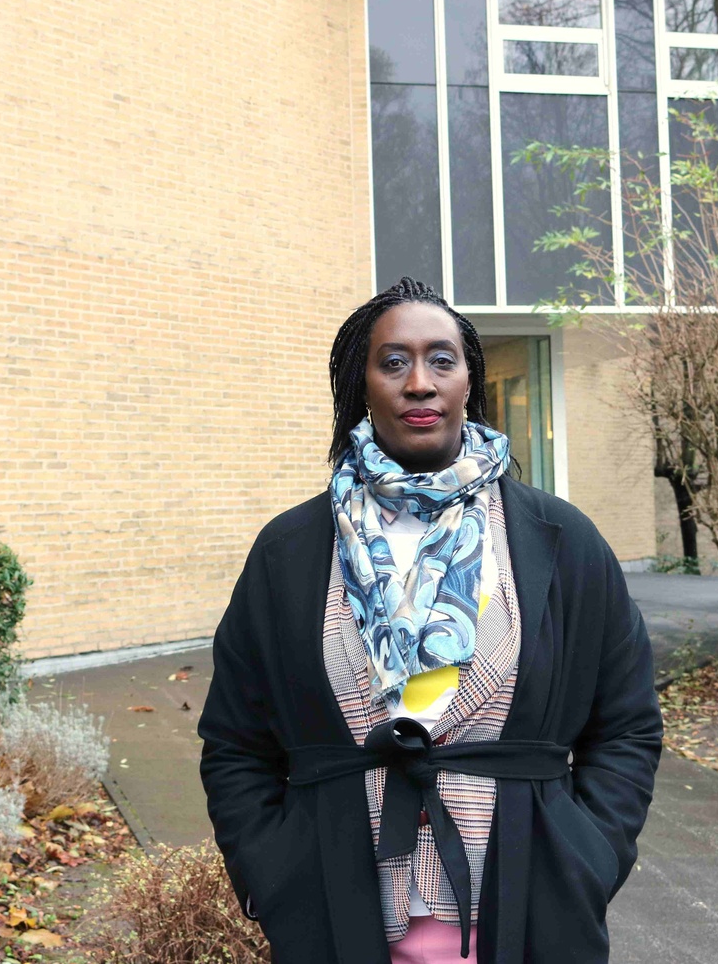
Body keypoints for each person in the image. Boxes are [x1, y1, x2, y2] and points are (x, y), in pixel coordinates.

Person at [198, 277, 662, 963]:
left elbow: (626, 724)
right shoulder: (288, 551)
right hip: (334, 907)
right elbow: (235, 741)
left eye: (442, 359)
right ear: (360, 384)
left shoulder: (561, 540)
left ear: (469, 379)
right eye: (393, 362)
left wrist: (587, 856)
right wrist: (273, 873)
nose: (420, 382)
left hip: (530, 902)